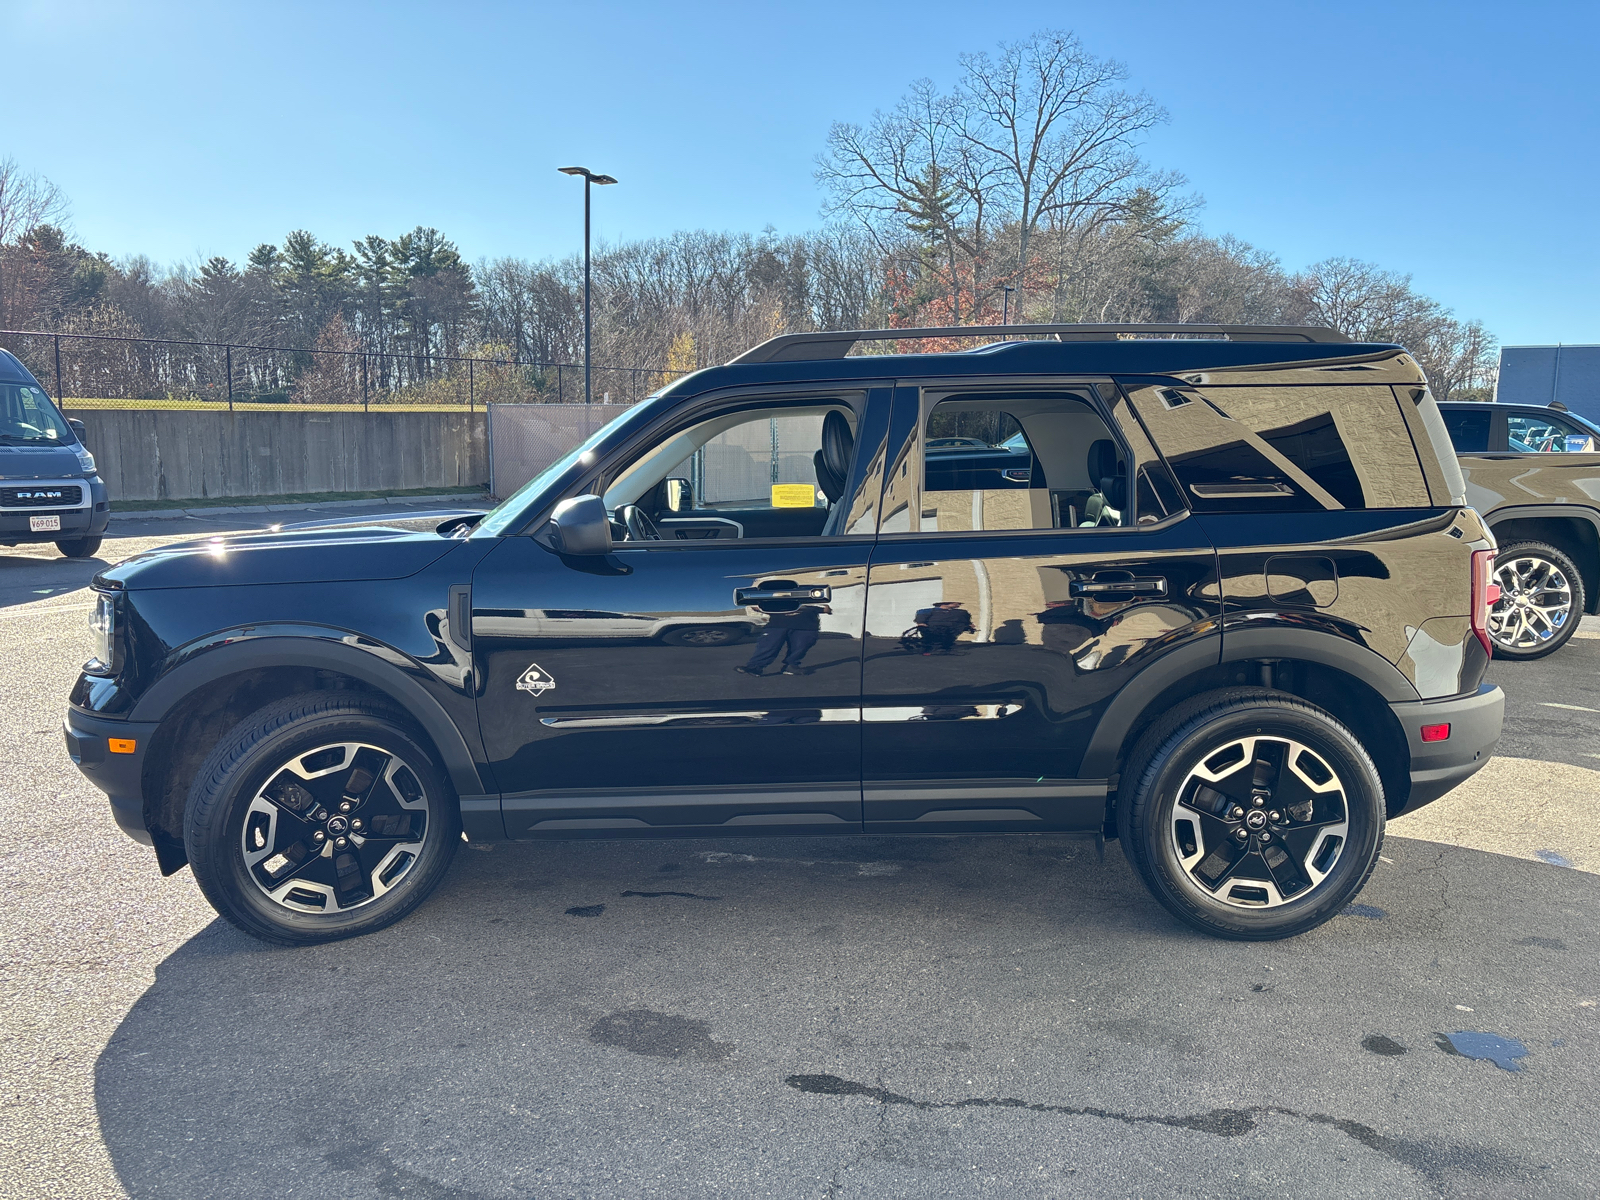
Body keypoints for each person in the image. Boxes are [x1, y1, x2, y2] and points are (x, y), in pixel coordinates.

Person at [737, 600, 832, 676]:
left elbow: (826, 610)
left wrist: (825, 605)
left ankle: (791, 666)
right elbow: (756, 607)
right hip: (776, 626)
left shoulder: (810, 602)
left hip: (806, 628)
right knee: (767, 646)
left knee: (800, 647)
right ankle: (754, 668)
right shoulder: (775, 602)